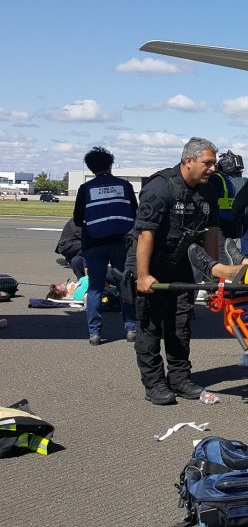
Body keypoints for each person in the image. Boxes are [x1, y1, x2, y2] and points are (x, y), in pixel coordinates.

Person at [131, 137, 219, 406]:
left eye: (214, 164)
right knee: (150, 325)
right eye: (208, 163)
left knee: (181, 324)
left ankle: (179, 379)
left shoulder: (208, 188)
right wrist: (143, 275)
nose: (212, 169)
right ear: (188, 161)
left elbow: (211, 231)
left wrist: (212, 271)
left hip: (179, 263)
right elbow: (146, 233)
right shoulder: (160, 187)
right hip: (151, 262)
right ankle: (154, 383)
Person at [72, 148, 139, 345]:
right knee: (125, 284)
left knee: (95, 288)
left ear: (91, 168)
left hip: (93, 243)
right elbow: (135, 213)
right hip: (121, 242)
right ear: (110, 165)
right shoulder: (125, 186)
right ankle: (131, 328)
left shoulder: (85, 189)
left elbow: (77, 220)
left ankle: (95, 333)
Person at [209, 150, 245, 263]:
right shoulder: (233, 182)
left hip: (219, 222)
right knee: (226, 254)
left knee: (220, 255)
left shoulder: (216, 179)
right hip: (231, 222)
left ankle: (220, 279)